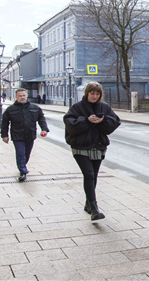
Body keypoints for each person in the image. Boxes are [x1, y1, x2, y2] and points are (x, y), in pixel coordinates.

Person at [63, 82, 121, 221]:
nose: (94, 96)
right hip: (80, 147)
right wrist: (87, 121)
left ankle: (88, 204)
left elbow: (115, 122)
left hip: (98, 146)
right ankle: (95, 209)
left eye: (97, 94)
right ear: (87, 93)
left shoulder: (104, 107)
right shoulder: (77, 107)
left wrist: (103, 120)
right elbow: (69, 124)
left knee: (93, 176)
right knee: (88, 174)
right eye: (92, 93)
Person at [1, 88, 49, 182]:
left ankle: (22, 165)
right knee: (20, 153)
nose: (22, 97)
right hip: (17, 136)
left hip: (30, 135)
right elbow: (5, 123)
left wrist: (44, 129)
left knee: (27, 153)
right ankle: (23, 171)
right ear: (16, 97)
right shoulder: (10, 109)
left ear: (26, 96)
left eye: (23, 95)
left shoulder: (35, 108)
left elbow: (41, 119)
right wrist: (4, 135)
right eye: (20, 96)